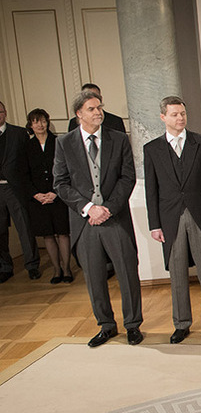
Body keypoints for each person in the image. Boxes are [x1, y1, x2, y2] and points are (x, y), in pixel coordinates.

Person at [53, 89, 143, 347]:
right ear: (79, 114)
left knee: (127, 272)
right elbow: (60, 183)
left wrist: (108, 209)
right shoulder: (64, 143)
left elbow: (127, 178)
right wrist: (89, 208)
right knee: (94, 277)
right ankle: (106, 326)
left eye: (99, 107)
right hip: (85, 222)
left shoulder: (119, 139)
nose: (98, 112)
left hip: (115, 218)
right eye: (92, 109)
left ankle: (133, 325)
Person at [144, 96, 201, 343]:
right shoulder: (152, 149)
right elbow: (152, 190)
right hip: (170, 218)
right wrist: (154, 224)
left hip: (200, 216)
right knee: (177, 273)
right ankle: (181, 323)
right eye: (174, 114)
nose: (180, 118)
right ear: (163, 117)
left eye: (183, 113)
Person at [25, 109, 72, 284]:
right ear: (30, 125)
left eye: (43, 121)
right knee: (48, 235)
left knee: (63, 233)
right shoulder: (27, 147)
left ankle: (67, 269)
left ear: (48, 122)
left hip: (58, 195)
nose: (40, 125)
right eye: (36, 122)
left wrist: (56, 192)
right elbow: (24, 174)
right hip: (38, 198)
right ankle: (56, 270)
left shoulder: (59, 142)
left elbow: (66, 169)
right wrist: (36, 194)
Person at [0, 100, 41, 282]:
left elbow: (28, 162)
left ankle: (32, 265)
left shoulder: (18, 133)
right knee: (0, 231)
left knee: (24, 226)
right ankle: (5, 267)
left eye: (0, 112)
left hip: (15, 187)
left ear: (5, 112)